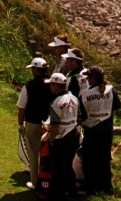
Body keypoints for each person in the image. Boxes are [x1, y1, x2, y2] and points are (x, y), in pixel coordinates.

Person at [78, 66, 120, 195]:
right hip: (106, 130)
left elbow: (82, 115)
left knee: (88, 160)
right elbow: (118, 105)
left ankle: (90, 189)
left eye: (88, 77)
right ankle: (107, 188)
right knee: (104, 160)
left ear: (93, 78)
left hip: (92, 130)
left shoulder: (85, 95)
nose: (87, 79)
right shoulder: (111, 90)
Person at [44, 72, 81, 200]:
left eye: (51, 85)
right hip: (74, 135)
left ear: (56, 85)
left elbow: (54, 125)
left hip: (61, 138)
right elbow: (79, 117)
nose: (50, 87)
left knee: (58, 171)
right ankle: (72, 194)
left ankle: (59, 196)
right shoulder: (74, 98)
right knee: (68, 166)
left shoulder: (55, 103)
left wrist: (52, 140)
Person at [17, 57, 53, 189]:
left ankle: (36, 182)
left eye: (33, 69)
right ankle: (49, 181)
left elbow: (22, 108)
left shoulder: (29, 86)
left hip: (33, 123)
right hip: (50, 124)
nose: (32, 71)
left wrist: (20, 125)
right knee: (49, 153)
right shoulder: (53, 83)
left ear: (37, 70)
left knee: (33, 153)